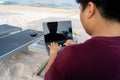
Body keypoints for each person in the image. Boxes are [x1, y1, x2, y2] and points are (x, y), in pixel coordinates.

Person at [45, 0, 120, 80]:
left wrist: (53, 53)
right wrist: (80, 48)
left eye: (80, 9)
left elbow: (48, 78)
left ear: (90, 9)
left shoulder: (70, 56)